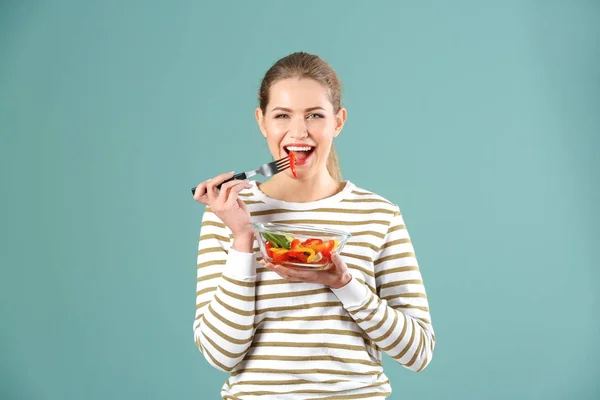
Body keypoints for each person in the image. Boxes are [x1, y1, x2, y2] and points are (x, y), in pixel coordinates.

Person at [192, 52, 435, 399]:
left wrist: (344, 284)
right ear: (262, 122)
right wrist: (243, 238)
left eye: (315, 115)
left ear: (338, 121)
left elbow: (418, 351)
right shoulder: (227, 214)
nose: (299, 131)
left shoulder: (379, 214)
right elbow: (221, 354)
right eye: (282, 116)